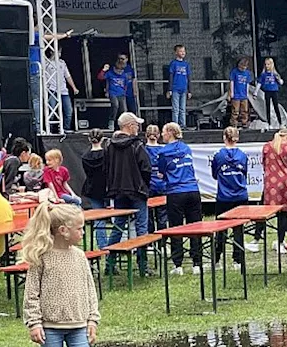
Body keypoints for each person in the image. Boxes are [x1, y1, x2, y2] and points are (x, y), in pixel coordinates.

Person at [21, 202, 101, 347]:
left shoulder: (79, 256)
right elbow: (31, 294)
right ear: (63, 230)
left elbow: (90, 290)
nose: (83, 232)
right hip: (51, 328)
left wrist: (92, 319)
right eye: (80, 228)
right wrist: (34, 323)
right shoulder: (41, 257)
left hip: (79, 326)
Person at [103, 112, 153, 275]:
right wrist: (144, 185)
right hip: (137, 190)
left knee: (118, 226)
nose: (138, 128)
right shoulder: (137, 145)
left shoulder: (109, 145)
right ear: (129, 126)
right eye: (136, 125)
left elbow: (106, 168)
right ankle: (143, 266)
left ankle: (109, 265)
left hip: (118, 191)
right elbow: (146, 168)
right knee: (141, 228)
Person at [157, 123, 203, 274]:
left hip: (176, 192)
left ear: (170, 133)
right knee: (195, 227)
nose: (161, 135)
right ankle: (197, 263)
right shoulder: (186, 148)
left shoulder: (163, 152)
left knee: (176, 228)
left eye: (163, 132)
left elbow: (161, 173)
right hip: (193, 190)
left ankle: (178, 265)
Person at [211, 127, 250, 270]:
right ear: (237, 138)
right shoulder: (243, 155)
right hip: (240, 195)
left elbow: (214, 174)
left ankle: (216, 259)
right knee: (238, 229)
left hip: (224, 196)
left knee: (221, 228)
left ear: (223, 138)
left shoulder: (218, 155)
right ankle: (237, 260)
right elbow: (245, 172)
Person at [263, 128, 287, 256]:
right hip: (284, 183)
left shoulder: (267, 147)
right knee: (283, 213)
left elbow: (264, 164)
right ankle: (281, 241)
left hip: (270, 183)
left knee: (279, 214)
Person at [80, 130, 110, 245]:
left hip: (92, 188)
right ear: (102, 139)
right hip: (107, 188)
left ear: (89, 139)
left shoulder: (85, 156)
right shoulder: (107, 154)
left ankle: (102, 244)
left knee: (99, 218)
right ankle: (113, 243)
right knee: (117, 217)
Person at [43, 47, 77, 133]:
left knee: (69, 110)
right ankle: (49, 129)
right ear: (51, 52)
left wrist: (74, 88)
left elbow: (67, 76)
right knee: (52, 111)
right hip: (52, 89)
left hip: (63, 90)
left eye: (60, 52)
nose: (59, 54)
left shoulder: (62, 63)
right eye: (57, 52)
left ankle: (66, 128)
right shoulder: (46, 63)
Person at [97, 55, 136, 128]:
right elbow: (100, 77)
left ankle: (122, 124)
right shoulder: (110, 73)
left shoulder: (124, 75)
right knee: (115, 105)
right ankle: (111, 121)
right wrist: (103, 70)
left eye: (121, 70)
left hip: (121, 94)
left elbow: (125, 84)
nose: (119, 72)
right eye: (118, 70)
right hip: (113, 93)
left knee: (124, 110)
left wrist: (125, 92)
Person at [229, 57, 255, 128]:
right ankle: (234, 124)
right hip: (236, 94)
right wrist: (231, 92)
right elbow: (232, 82)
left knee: (245, 110)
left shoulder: (247, 73)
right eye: (241, 67)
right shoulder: (234, 72)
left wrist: (247, 93)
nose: (242, 69)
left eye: (244, 67)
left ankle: (244, 123)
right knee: (235, 110)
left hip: (244, 94)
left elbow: (247, 84)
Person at [169, 44, 191, 128]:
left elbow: (188, 77)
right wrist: (170, 89)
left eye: (184, 51)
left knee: (182, 109)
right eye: (181, 51)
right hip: (175, 88)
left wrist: (189, 90)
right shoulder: (173, 63)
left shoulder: (186, 64)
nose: (183, 53)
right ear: (176, 52)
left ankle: (183, 125)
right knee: (175, 109)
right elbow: (171, 77)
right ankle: (175, 125)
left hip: (184, 89)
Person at [258, 58, 284, 126]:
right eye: (266, 64)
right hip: (267, 91)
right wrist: (255, 92)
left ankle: (280, 122)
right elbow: (260, 83)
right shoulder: (264, 74)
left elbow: (280, 82)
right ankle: (269, 123)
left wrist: (279, 80)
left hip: (274, 91)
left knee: (276, 106)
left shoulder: (275, 74)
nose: (267, 66)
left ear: (271, 65)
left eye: (268, 64)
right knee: (267, 107)